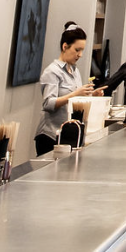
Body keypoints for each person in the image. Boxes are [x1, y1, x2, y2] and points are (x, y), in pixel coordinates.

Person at [36, 23, 89, 156]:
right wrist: (75, 94)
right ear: (65, 46)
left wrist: (91, 94)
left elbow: (75, 97)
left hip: (68, 135)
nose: (80, 54)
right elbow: (48, 103)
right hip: (51, 136)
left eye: (82, 50)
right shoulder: (52, 72)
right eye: (77, 50)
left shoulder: (75, 71)